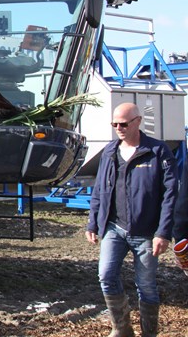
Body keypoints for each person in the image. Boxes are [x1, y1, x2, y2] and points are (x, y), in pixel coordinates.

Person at [86, 102, 178, 337]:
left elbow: (170, 195)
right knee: (106, 275)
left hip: (146, 232)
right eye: (115, 124)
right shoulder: (110, 152)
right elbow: (99, 189)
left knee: (146, 285)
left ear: (138, 122)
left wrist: (163, 232)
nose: (119, 128)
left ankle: (149, 333)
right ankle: (122, 328)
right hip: (114, 228)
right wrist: (93, 222)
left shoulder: (157, 152)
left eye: (124, 124)